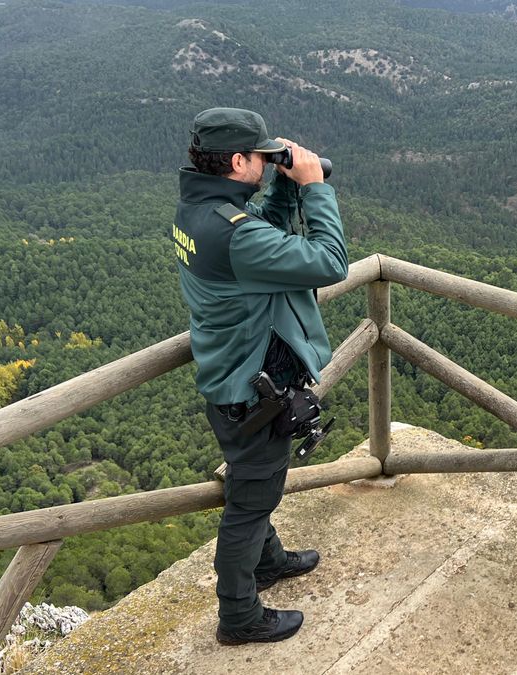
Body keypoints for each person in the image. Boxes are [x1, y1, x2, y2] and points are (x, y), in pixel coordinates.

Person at [172, 107, 348, 645]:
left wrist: (281, 187)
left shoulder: (198, 211)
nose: (266, 162)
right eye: (260, 156)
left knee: (258, 489)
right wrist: (314, 186)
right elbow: (330, 261)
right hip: (255, 394)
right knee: (249, 506)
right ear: (236, 161)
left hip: (231, 382)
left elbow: (259, 233)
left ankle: (267, 563)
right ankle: (240, 616)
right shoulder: (233, 234)